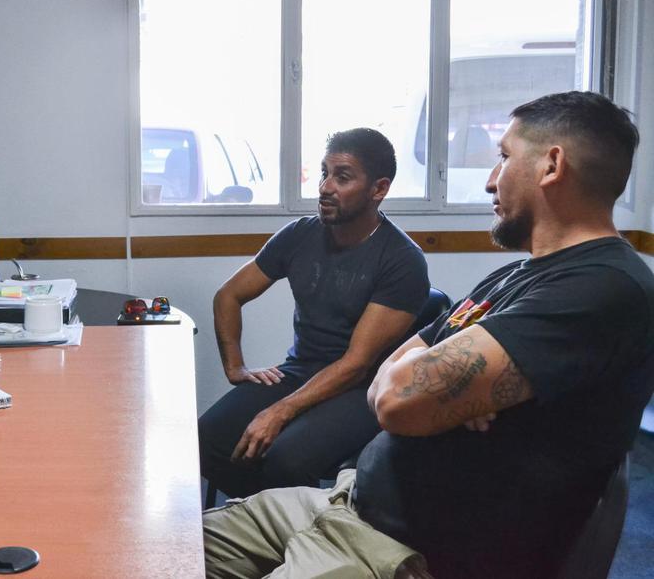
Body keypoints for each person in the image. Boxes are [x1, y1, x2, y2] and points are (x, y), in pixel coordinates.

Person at [203, 91, 654, 579]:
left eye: (503, 157)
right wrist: (444, 389)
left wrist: (429, 384)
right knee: (153, 545)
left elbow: (395, 397)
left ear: (551, 165)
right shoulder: (512, 279)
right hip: (347, 502)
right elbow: (399, 375)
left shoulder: (602, 289)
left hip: (398, 547)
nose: (489, 181)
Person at [199, 128, 429, 499]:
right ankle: (267, 522)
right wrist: (235, 368)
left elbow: (356, 364)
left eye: (343, 176)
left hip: (362, 390)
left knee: (286, 460)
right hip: (300, 371)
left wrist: (279, 412)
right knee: (206, 438)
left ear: (379, 189)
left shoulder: (403, 260)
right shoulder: (300, 234)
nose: (324, 187)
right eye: (324, 173)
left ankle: (294, 537)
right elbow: (228, 296)